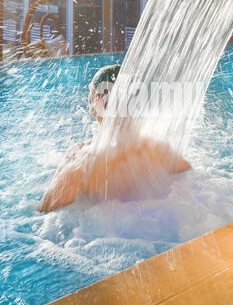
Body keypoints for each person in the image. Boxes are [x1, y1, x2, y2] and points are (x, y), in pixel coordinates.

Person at [37, 64, 191, 213]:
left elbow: (45, 209)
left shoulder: (82, 163)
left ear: (97, 100)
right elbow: (192, 185)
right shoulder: (161, 151)